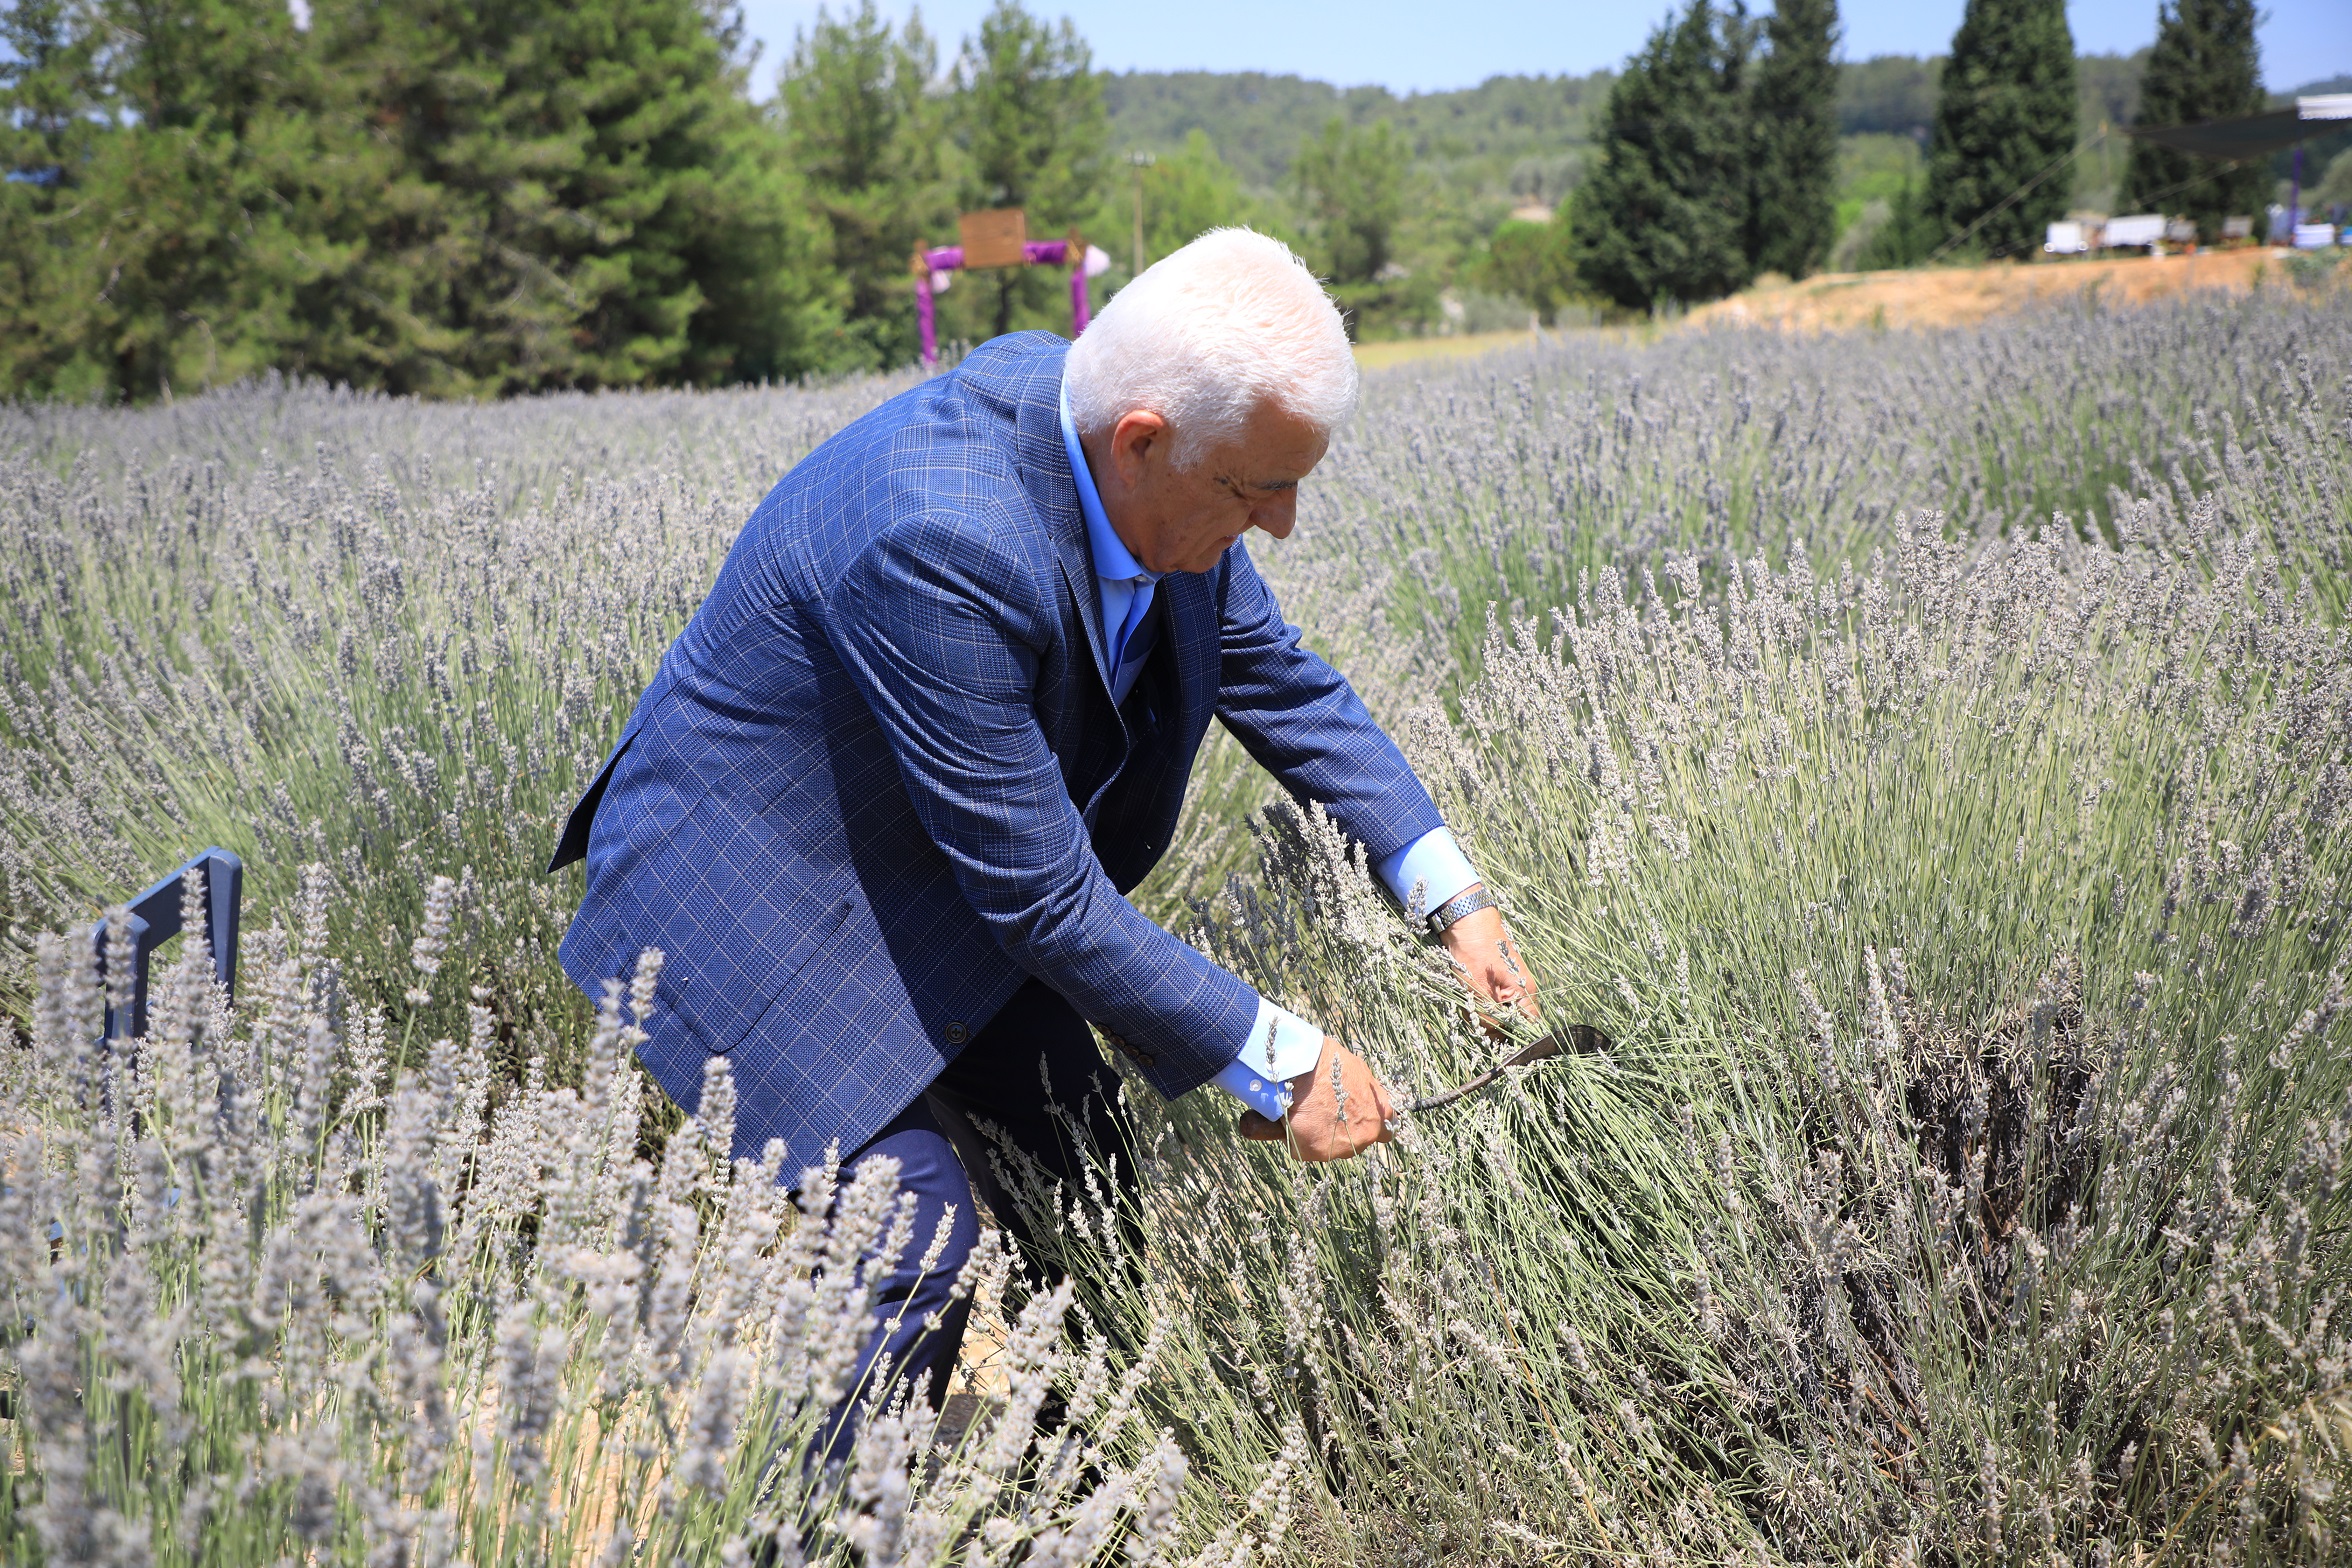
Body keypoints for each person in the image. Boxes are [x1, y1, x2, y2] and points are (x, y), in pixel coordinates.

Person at [548, 228, 1541, 1439]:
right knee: (903, 1237)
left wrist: (1451, 892)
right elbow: (1046, 903)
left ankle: (1089, 1474)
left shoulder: (1143, 458)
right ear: (1143, 441)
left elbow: (1283, 683)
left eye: (1295, 483)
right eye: (1256, 487)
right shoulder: (944, 534)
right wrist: (1286, 1064)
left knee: (1085, 1164)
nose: (1280, 522)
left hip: (926, 866)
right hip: (745, 892)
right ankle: (815, 1522)